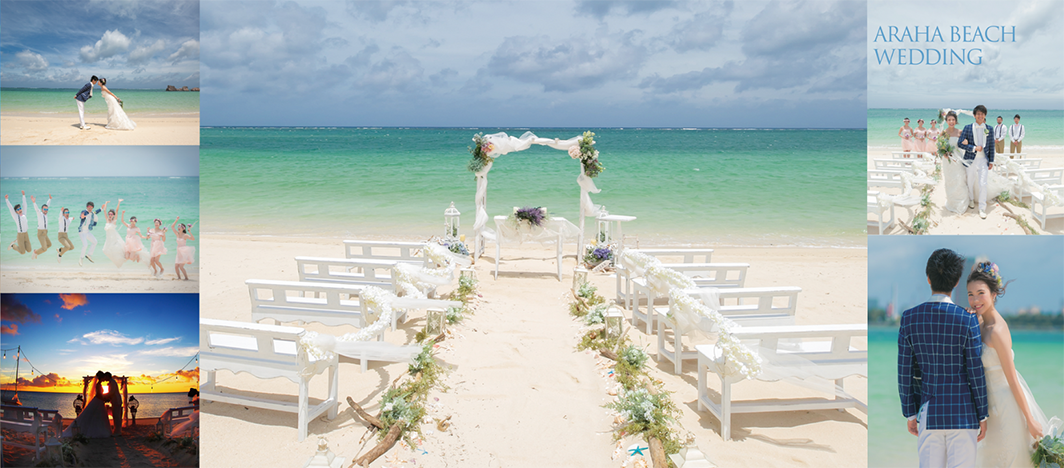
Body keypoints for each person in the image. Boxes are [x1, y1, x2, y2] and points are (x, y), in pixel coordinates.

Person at [898, 248, 987, 468]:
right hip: (964, 414)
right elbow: (976, 371)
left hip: (930, 413)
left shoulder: (909, 318)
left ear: (928, 278)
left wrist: (909, 412)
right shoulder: (968, 320)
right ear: (957, 282)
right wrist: (982, 415)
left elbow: (904, 372)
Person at [967, 261, 1059, 468]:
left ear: (993, 294)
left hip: (1007, 405)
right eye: (970, 294)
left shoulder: (998, 330)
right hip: (990, 407)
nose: (974, 300)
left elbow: (1012, 380)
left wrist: (1030, 419)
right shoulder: (979, 323)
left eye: (980, 293)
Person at [957, 105, 995, 219]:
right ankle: (971, 199)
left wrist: (991, 160)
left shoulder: (990, 128)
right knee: (970, 181)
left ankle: (982, 208)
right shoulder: (967, 127)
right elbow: (959, 143)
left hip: (984, 160)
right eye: (978, 114)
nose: (980, 116)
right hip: (970, 160)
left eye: (982, 114)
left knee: (983, 183)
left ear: (985, 116)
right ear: (974, 115)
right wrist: (973, 148)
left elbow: (992, 146)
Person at [61, 371, 113, 438]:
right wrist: (105, 399)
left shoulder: (98, 384)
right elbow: (99, 395)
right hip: (98, 401)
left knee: (97, 417)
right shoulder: (98, 385)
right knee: (97, 416)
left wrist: (104, 399)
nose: (104, 379)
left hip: (98, 401)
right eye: (103, 377)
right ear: (101, 378)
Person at [940, 111, 970, 214]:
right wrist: (943, 153)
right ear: (946, 121)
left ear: (956, 121)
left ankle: (962, 202)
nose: (951, 121)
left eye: (953, 119)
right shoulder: (943, 133)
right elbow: (940, 146)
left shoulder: (960, 132)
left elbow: (966, 142)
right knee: (950, 180)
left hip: (958, 159)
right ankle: (952, 202)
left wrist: (966, 142)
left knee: (960, 179)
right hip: (948, 161)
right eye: (949, 120)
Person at [101, 200, 127, 268]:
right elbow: (104, 211)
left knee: (117, 249)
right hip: (108, 238)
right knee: (105, 250)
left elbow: (117, 210)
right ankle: (118, 260)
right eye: (109, 214)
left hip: (113, 238)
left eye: (111, 214)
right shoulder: (107, 220)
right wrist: (106, 203)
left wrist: (119, 202)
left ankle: (123, 257)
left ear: (113, 215)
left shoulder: (114, 220)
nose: (109, 215)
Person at [78, 201, 102, 266]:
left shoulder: (91, 213)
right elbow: (81, 216)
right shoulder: (84, 212)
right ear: (86, 207)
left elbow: (96, 212)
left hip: (87, 232)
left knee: (95, 242)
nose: (90, 208)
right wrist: (82, 216)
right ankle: (81, 258)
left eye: (91, 207)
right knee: (85, 245)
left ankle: (89, 255)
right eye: (89, 207)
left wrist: (101, 208)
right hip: (82, 232)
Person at [30, 194, 53, 259]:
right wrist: (34, 202)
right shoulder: (40, 214)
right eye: (44, 209)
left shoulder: (46, 214)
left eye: (46, 209)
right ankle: (35, 252)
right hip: (41, 233)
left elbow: (47, 205)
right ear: (42, 209)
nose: (46, 210)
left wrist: (50, 199)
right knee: (44, 248)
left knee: (49, 244)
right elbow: (37, 209)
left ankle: (37, 251)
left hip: (45, 232)